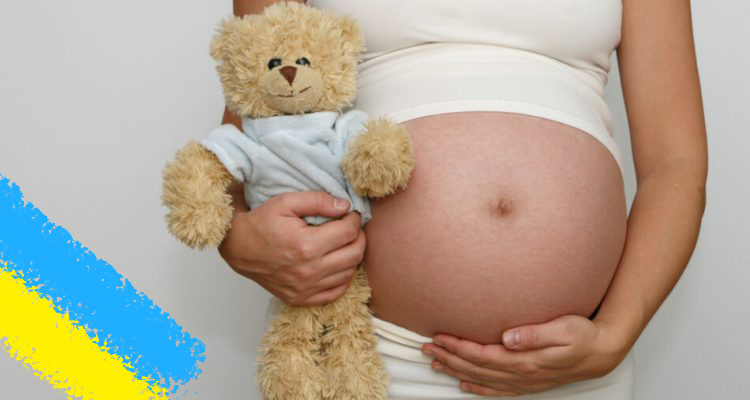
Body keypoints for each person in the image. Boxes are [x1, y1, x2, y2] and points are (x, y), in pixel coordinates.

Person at [218, 0, 708, 398]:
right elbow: (245, 136)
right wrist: (238, 240)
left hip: (569, 366)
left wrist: (615, 336)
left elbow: (675, 165)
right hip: (363, 353)